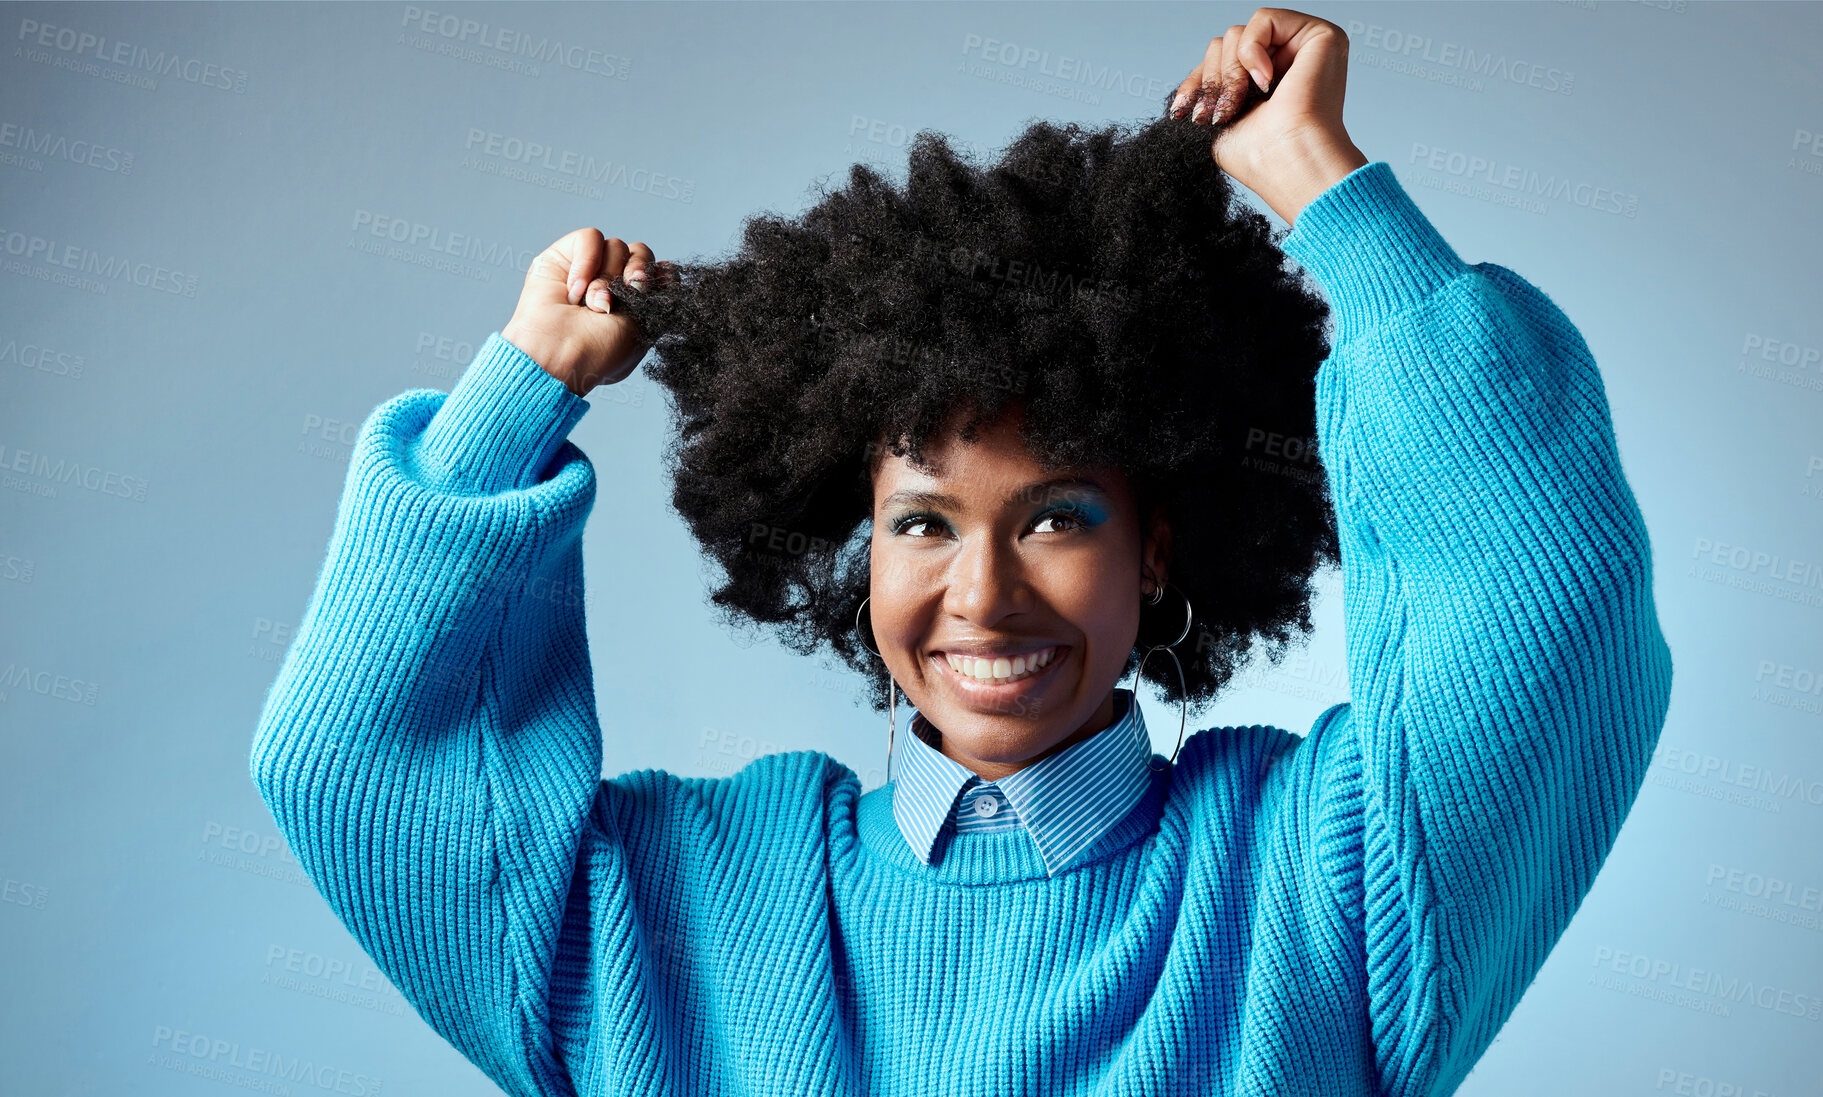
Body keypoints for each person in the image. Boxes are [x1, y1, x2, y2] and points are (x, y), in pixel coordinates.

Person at [251, 10, 1673, 1096]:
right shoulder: (680, 908)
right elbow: (352, 762)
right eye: (922, 521)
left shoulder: (1328, 878)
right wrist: (519, 389)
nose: (981, 594)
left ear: (1158, 549)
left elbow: (1550, 606)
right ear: (855, 549)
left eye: (1056, 514)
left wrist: (1329, 190)